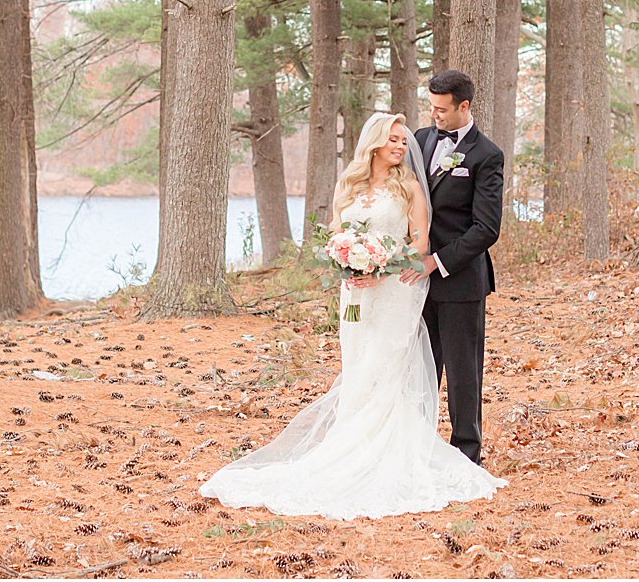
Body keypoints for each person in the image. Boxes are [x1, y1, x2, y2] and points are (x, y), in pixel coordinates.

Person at [198, 112, 505, 519]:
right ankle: (353, 443)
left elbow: (419, 242)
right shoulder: (349, 183)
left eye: (402, 140)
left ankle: (395, 449)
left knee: (388, 365)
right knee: (360, 366)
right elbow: (336, 235)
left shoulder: (410, 186)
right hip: (356, 296)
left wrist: (380, 266)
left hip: (396, 291)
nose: (401, 146)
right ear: (375, 142)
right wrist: (349, 265)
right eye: (393, 140)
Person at [401, 69, 505, 464]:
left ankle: (466, 454)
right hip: (415, 282)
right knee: (420, 369)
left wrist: (437, 262)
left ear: (465, 106)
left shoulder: (486, 155)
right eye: (430, 107)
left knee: (463, 375)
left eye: (442, 110)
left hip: (460, 282)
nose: (434, 116)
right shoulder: (422, 140)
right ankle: (416, 449)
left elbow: (486, 228)